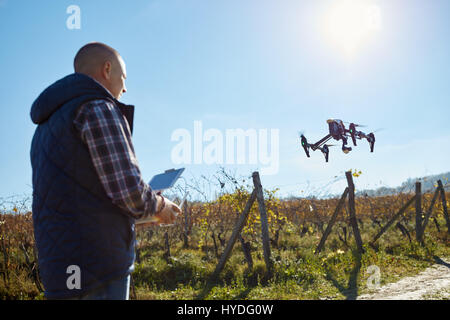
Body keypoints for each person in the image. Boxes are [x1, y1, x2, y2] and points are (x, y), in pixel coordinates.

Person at [30, 42, 181, 300]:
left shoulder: (44, 130)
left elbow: (82, 200)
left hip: (60, 270)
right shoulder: (98, 108)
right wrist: (159, 205)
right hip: (97, 269)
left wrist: (131, 220)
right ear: (107, 69)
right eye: (123, 77)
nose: (124, 88)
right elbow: (131, 193)